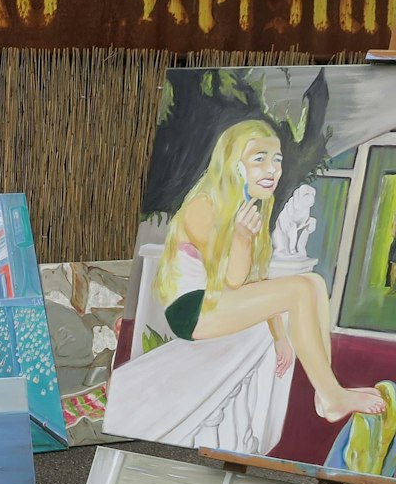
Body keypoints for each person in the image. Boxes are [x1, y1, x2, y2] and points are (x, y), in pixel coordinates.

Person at [153, 119, 382, 422]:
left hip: (214, 301)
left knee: (313, 282)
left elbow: (256, 282)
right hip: (190, 310)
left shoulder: (248, 207)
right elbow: (233, 282)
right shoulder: (203, 206)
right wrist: (243, 239)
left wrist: (279, 336)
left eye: (277, 160)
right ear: (233, 164)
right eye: (259, 159)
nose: (272, 169)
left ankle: (326, 389)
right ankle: (332, 395)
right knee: (300, 288)